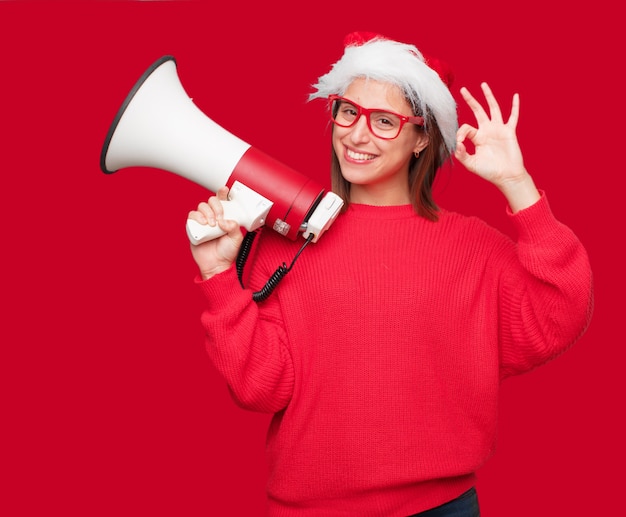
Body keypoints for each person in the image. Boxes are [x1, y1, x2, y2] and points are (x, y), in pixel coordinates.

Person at [187, 32, 593, 517]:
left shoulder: (471, 246)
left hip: (442, 507)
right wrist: (218, 274)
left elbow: (560, 312)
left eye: (384, 121)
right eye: (347, 111)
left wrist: (516, 184)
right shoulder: (284, 243)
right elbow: (259, 389)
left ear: (423, 137)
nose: (357, 135)